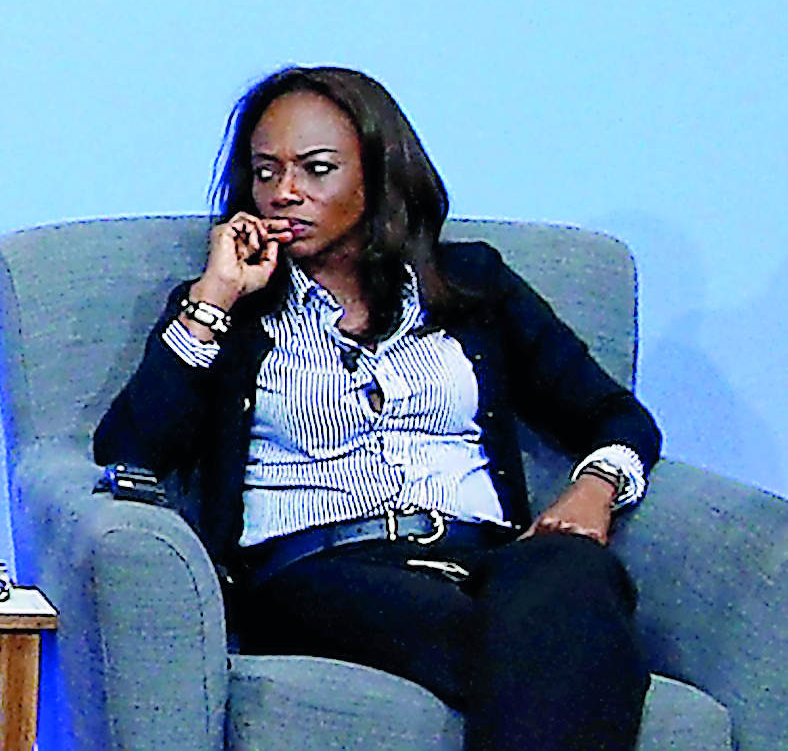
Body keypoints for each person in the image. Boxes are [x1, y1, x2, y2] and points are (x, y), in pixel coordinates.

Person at [94, 66, 662, 751]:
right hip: (319, 572)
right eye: (265, 172)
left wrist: (594, 490)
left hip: (484, 556)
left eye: (316, 169)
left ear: (379, 175)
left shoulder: (475, 285)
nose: (285, 194)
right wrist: (214, 299)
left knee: (575, 575)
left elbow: (615, 415)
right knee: (564, 647)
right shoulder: (231, 311)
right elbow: (131, 450)